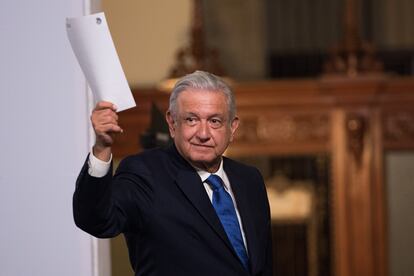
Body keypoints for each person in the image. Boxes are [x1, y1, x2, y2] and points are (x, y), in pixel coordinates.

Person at [73, 70, 273, 276]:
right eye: (191, 120)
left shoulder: (250, 179)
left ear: (232, 127)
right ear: (172, 122)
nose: (203, 134)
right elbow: (96, 220)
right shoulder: (145, 173)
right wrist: (102, 148)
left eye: (214, 121)